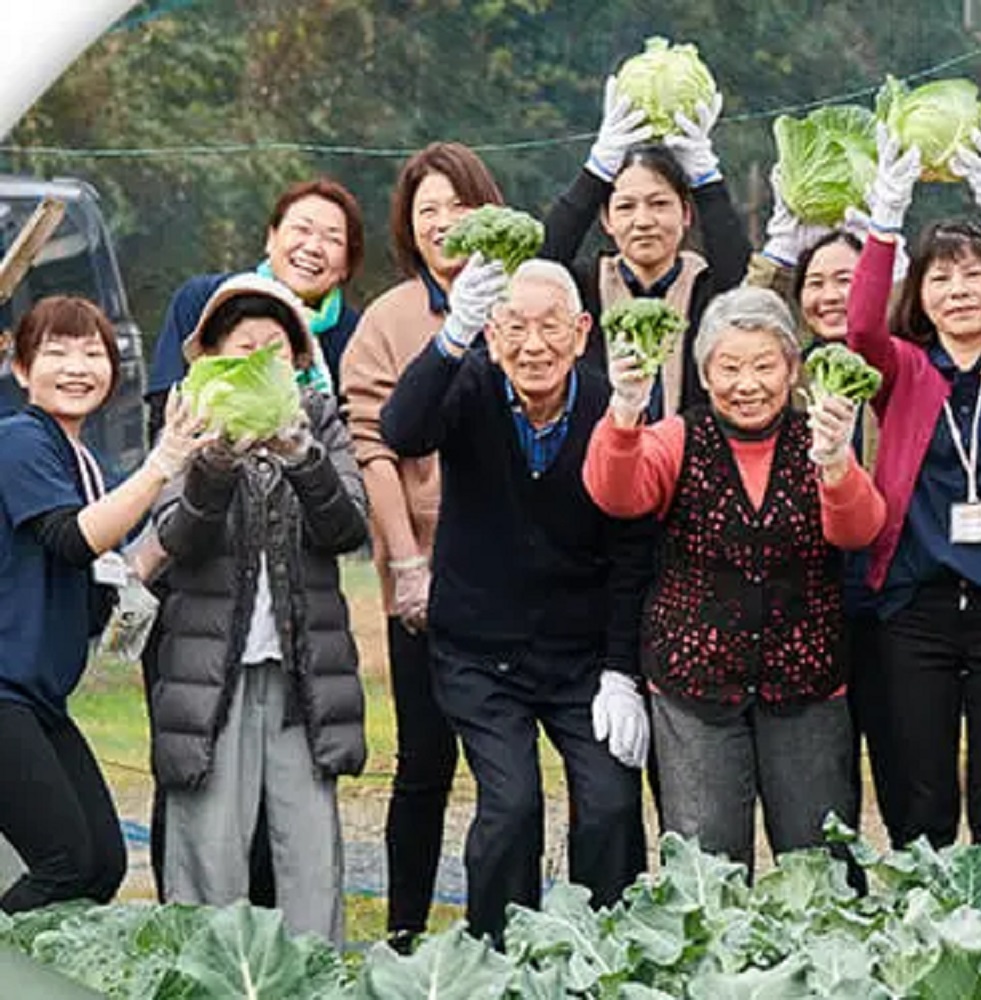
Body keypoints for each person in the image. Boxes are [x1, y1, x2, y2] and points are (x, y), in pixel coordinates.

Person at [380, 256, 652, 945]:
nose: (534, 345)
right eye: (514, 327)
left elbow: (633, 551)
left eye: (550, 326)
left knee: (611, 804)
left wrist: (621, 672)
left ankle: (604, 959)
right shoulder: (469, 384)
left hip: (582, 656)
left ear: (582, 331)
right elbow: (402, 430)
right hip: (479, 652)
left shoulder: (611, 405)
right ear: (491, 335)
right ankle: (499, 961)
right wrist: (452, 338)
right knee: (511, 805)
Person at [583, 286, 885, 872]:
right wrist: (624, 411)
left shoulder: (816, 439)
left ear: (792, 370)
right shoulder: (678, 437)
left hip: (807, 684)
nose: (748, 384)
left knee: (820, 861)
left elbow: (860, 529)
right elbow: (616, 493)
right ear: (704, 374)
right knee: (707, 861)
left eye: (765, 366)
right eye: (729, 368)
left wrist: (835, 461)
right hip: (694, 684)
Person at [844, 127, 981, 875]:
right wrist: (886, 217)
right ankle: (926, 926)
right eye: (940, 278)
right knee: (923, 795)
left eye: (975, 274)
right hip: (917, 605)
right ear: (921, 295)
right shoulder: (906, 368)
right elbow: (861, 327)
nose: (960, 290)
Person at [140, 176, 365, 904]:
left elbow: (347, 528)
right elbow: (174, 538)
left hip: (303, 671)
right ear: (210, 355)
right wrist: (211, 465)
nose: (259, 359)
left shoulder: (319, 420)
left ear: (297, 360)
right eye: (243, 347)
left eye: (275, 347)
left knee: (309, 859)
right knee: (207, 856)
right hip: (211, 671)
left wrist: (303, 457)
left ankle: (312, 967)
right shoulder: (188, 422)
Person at [340, 142, 502, 954]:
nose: (441, 223)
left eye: (456, 206)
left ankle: (501, 931)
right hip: (429, 576)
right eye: (425, 210)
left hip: (516, 578)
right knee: (425, 763)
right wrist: (406, 564)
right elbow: (373, 448)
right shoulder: (390, 318)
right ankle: (404, 933)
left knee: (509, 773)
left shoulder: (526, 297)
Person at [0, 296, 207, 913]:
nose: (77, 367)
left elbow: (107, 573)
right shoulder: (18, 442)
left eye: (93, 353)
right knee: (64, 863)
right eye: (56, 352)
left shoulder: (81, 463)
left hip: (37, 697)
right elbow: (72, 539)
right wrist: (161, 463)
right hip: (4, 693)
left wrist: (181, 498)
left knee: (101, 863)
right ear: (21, 369)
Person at [541, 76, 750, 415]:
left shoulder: (705, 286)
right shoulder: (586, 287)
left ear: (685, 214)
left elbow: (741, 279)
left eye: (659, 204)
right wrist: (596, 171)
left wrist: (707, 181)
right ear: (607, 220)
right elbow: (540, 266)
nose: (643, 221)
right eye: (626, 207)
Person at [145, 177, 366, 440]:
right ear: (271, 238)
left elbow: (356, 432)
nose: (313, 247)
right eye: (302, 229)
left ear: (347, 265)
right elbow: (165, 407)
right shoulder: (204, 298)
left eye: (333, 239)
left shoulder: (358, 335)